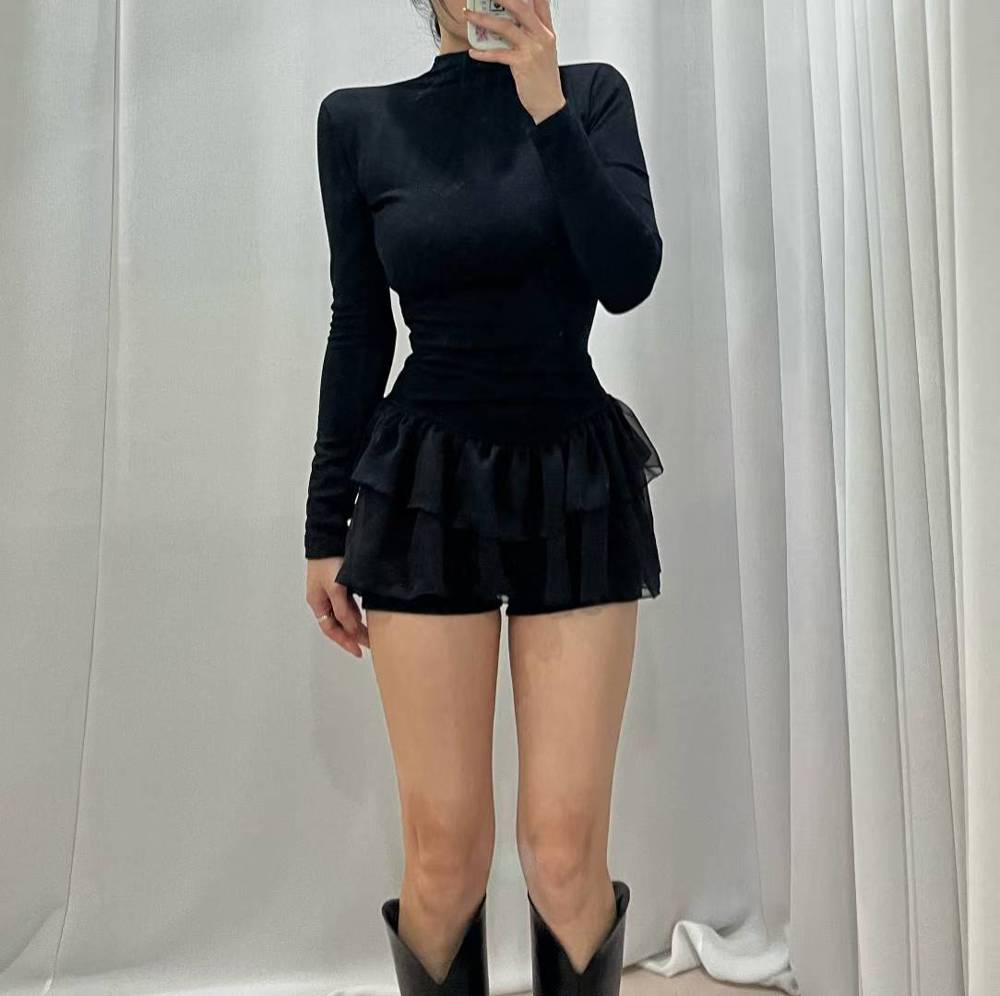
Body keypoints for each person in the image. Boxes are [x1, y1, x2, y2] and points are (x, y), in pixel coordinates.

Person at [304, 1, 663, 992]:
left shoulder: (590, 98)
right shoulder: (358, 121)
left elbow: (627, 274)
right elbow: (358, 328)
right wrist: (324, 524)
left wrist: (546, 107)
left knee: (563, 854)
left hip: (574, 482)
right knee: (444, 859)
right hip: (425, 488)